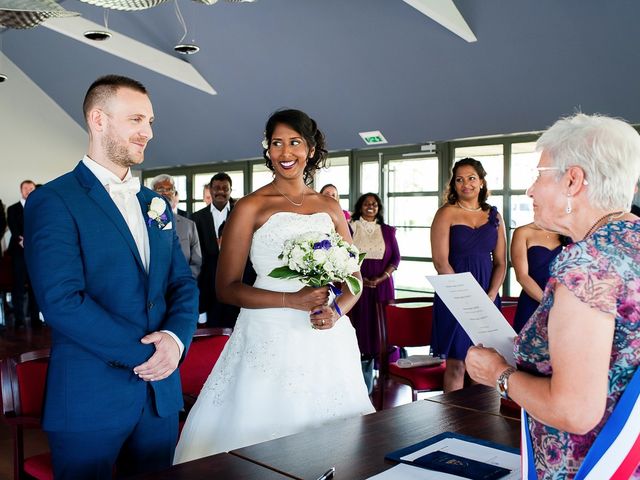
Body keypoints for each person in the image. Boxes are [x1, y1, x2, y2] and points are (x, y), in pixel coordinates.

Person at [174, 109, 374, 463]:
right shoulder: (251, 207)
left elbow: (354, 277)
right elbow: (227, 287)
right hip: (267, 334)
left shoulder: (329, 207)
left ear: (310, 150)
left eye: (295, 143)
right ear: (267, 150)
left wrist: (338, 310)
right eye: (277, 143)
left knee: (334, 444)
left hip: (326, 337)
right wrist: (289, 299)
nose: (286, 153)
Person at [23, 74, 199, 479]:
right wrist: (149, 355)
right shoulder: (53, 200)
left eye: (151, 122)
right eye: (137, 120)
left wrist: (174, 341)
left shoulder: (156, 204)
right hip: (90, 399)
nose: (148, 133)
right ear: (98, 120)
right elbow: (62, 302)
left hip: (159, 398)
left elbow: (181, 283)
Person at [466, 113, 640, 479]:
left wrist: (498, 374)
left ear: (573, 180)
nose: (530, 189)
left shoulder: (588, 262)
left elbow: (574, 411)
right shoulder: (631, 242)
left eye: (540, 174)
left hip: (589, 463)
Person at [430, 158, 506, 393]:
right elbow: (441, 262)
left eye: (471, 178)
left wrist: (491, 295)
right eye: (459, 179)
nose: (466, 184)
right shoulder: (446, 213)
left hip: (488, 295)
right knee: (457, 364)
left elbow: (502, 262)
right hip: (454, 296)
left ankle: (481, 425)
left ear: (481, 182)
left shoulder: (494, 216)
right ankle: (452, 424)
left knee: (485, 364)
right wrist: (463, 299)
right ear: (454, 184)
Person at [349, 193, 400, 393]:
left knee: (381, 327)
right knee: (360, 324)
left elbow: (396, 258)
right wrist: (358, 278)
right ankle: (360, 371)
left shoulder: (387, 231)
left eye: (375, 204)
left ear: (379, 208)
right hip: (357, 285)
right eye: (366, 203)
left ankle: (385, 372)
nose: (370, 206)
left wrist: (382, 277)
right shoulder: (350, 227)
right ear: (360, 206)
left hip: (382, 285)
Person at [192, 172, 254, 327]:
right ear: (210, 190)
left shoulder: (242, 214)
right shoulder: (196, 218)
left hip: (239, 283)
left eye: (225, 188)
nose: (220, 191)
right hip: (208, 288)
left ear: (230, 191)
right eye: (216, 188)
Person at [510, 222, 563, 332]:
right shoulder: (523, 232)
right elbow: (522, 276)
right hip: (532, 298)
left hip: (560, 300)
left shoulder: (565, 231)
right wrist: (548, 303)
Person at [151, 174, 202, 278]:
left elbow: (196, 261)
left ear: (174, 193)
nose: (165, 192)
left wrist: (185, 283)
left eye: (169, 189)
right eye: (160, 189)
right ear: (152, 192)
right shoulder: (144, 222)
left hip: (183, 285)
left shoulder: (189, 225)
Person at [7, 180, 40, 328]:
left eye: (31, 188)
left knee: (35, 286)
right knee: (18, 286)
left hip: (36, 251)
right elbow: (13, 227)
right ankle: (19, 320)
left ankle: (35, 319)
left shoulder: (40, 207)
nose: (28, 191)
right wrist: (22, 239)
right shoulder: (12, 208)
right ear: (21, 190)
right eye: (25, 188)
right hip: (18, 251)